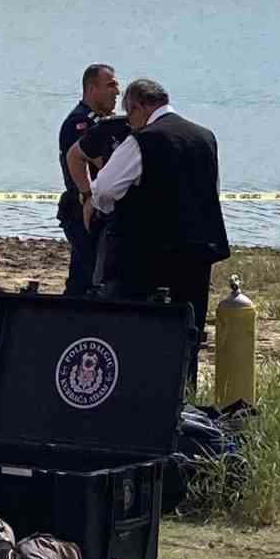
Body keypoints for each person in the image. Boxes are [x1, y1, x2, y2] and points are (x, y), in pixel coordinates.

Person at [85, 78, 230, 397]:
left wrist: (99, 203)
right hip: (195, 251)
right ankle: (182, 398)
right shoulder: (205, 137)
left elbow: (106, 189)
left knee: (136, 327)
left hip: (146, 252)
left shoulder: (142, 141)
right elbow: (212, 190)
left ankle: (135, 398)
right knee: (186, 329)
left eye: (130, 115)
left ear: (136, 107)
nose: (130, 123)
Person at [55, 64, 119, 296]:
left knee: (96, 274)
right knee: (85, 276)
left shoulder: (103, 123)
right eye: (110, 85)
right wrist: (87, 195)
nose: (117, 92)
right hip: (82, 210)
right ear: (92, 88)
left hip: (100, 212)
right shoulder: (80, 123)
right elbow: (99, 163)